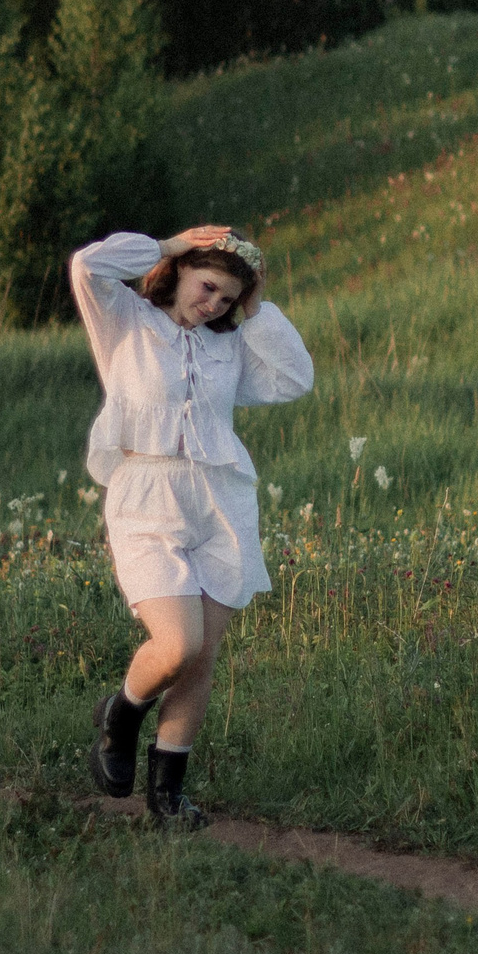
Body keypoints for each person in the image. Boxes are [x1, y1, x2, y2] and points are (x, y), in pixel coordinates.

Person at [70, 225, 314, 826]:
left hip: (220, 503)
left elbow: (295, 379)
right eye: (208, 288)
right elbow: (88, 265)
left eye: (227, 299)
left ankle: (167, 799)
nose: (213, 305)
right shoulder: (126, 322)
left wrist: (255, 313)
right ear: (181, 273)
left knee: (201, 661)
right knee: (179, 644)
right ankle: (123, 713)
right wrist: (167, 245)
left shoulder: (227, 346)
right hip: (146, 498)